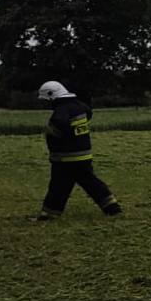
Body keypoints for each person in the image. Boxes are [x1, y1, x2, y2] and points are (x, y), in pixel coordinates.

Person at [35, 81, 122, 220]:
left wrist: (50, 134)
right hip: (84, 154)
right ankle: (112, 207)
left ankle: (49, 214)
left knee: (58, 186)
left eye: (47, 100)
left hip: (65, 158)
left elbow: (57, 128)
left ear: (53, 96)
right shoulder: (80, 106)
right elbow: (87, 115)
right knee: (91, 183)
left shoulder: (61, 111)